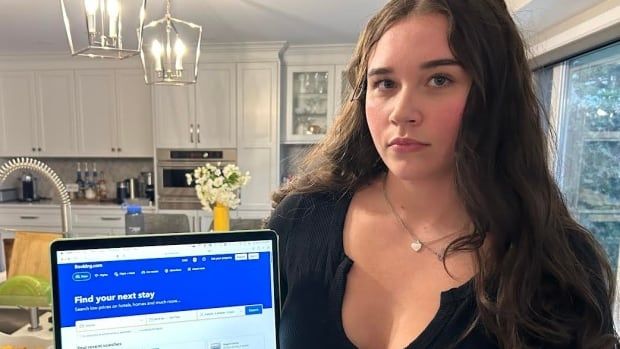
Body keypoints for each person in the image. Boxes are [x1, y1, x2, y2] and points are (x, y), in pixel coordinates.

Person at [266, 0, 618, 348]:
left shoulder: (557, 264)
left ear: (494, 95)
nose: (401, 112)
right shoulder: (300, 221)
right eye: (385, 83)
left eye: (439, 79)